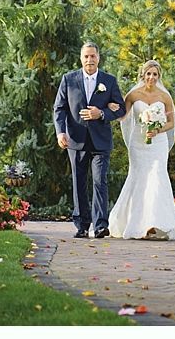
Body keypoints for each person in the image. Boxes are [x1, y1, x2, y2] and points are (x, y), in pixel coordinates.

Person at [52, 42, 126, 238]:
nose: (89, 60)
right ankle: (82, 225)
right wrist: (60, 132)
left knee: (100, 181)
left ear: (98, 58)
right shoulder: (68, 79)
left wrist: (100, 113)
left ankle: (101, 225)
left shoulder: (108, 81)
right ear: (81, 58)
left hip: (101, 141)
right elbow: (59, 108)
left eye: (93, 56)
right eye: (86, 57)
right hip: (75, 140)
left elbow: (121, 108)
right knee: (79, 183)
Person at [107, 59, 175, 240]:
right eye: (148, 74)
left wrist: (158, 129)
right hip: (138, 143)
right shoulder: (133, 95)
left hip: (158, 144)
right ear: (143, 75)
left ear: (159, 77)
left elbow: (171, 123)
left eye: (155, 74)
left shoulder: (165, 97)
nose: (151, 77)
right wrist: (111, 107)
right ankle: (135, 223)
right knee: (138, 177)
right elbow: (123, 116)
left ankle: (156, 224)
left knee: (157, 177)